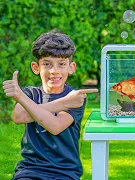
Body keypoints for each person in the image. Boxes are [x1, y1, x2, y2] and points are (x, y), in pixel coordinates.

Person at [2, 30, 98, 180]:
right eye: (47, 64)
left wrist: (22, 99)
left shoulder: (76, 97)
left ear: (71, 68)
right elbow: (18, 117)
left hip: (65, 172)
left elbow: (55, 126)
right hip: (30, 170)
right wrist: (63, 103)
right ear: (36, 68)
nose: (54, 71)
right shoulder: (30, 95)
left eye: (61, 64)